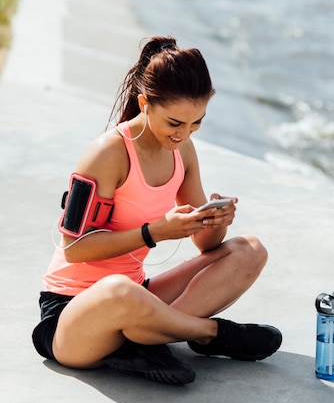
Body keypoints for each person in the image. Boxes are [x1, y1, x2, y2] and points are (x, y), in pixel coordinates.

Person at [32, 36, 282, 385]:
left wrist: (215, 221)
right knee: (118, 288)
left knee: (249, 250)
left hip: (139, 297)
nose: (184, 134)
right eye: (175, 123)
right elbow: (75, 249)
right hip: (74, 313)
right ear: (144, 104)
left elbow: (207, 247)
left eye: (196, 123)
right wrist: (153, 233)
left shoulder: (183, 151)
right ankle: (209, 333)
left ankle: (150, 339)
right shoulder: (107, 154)